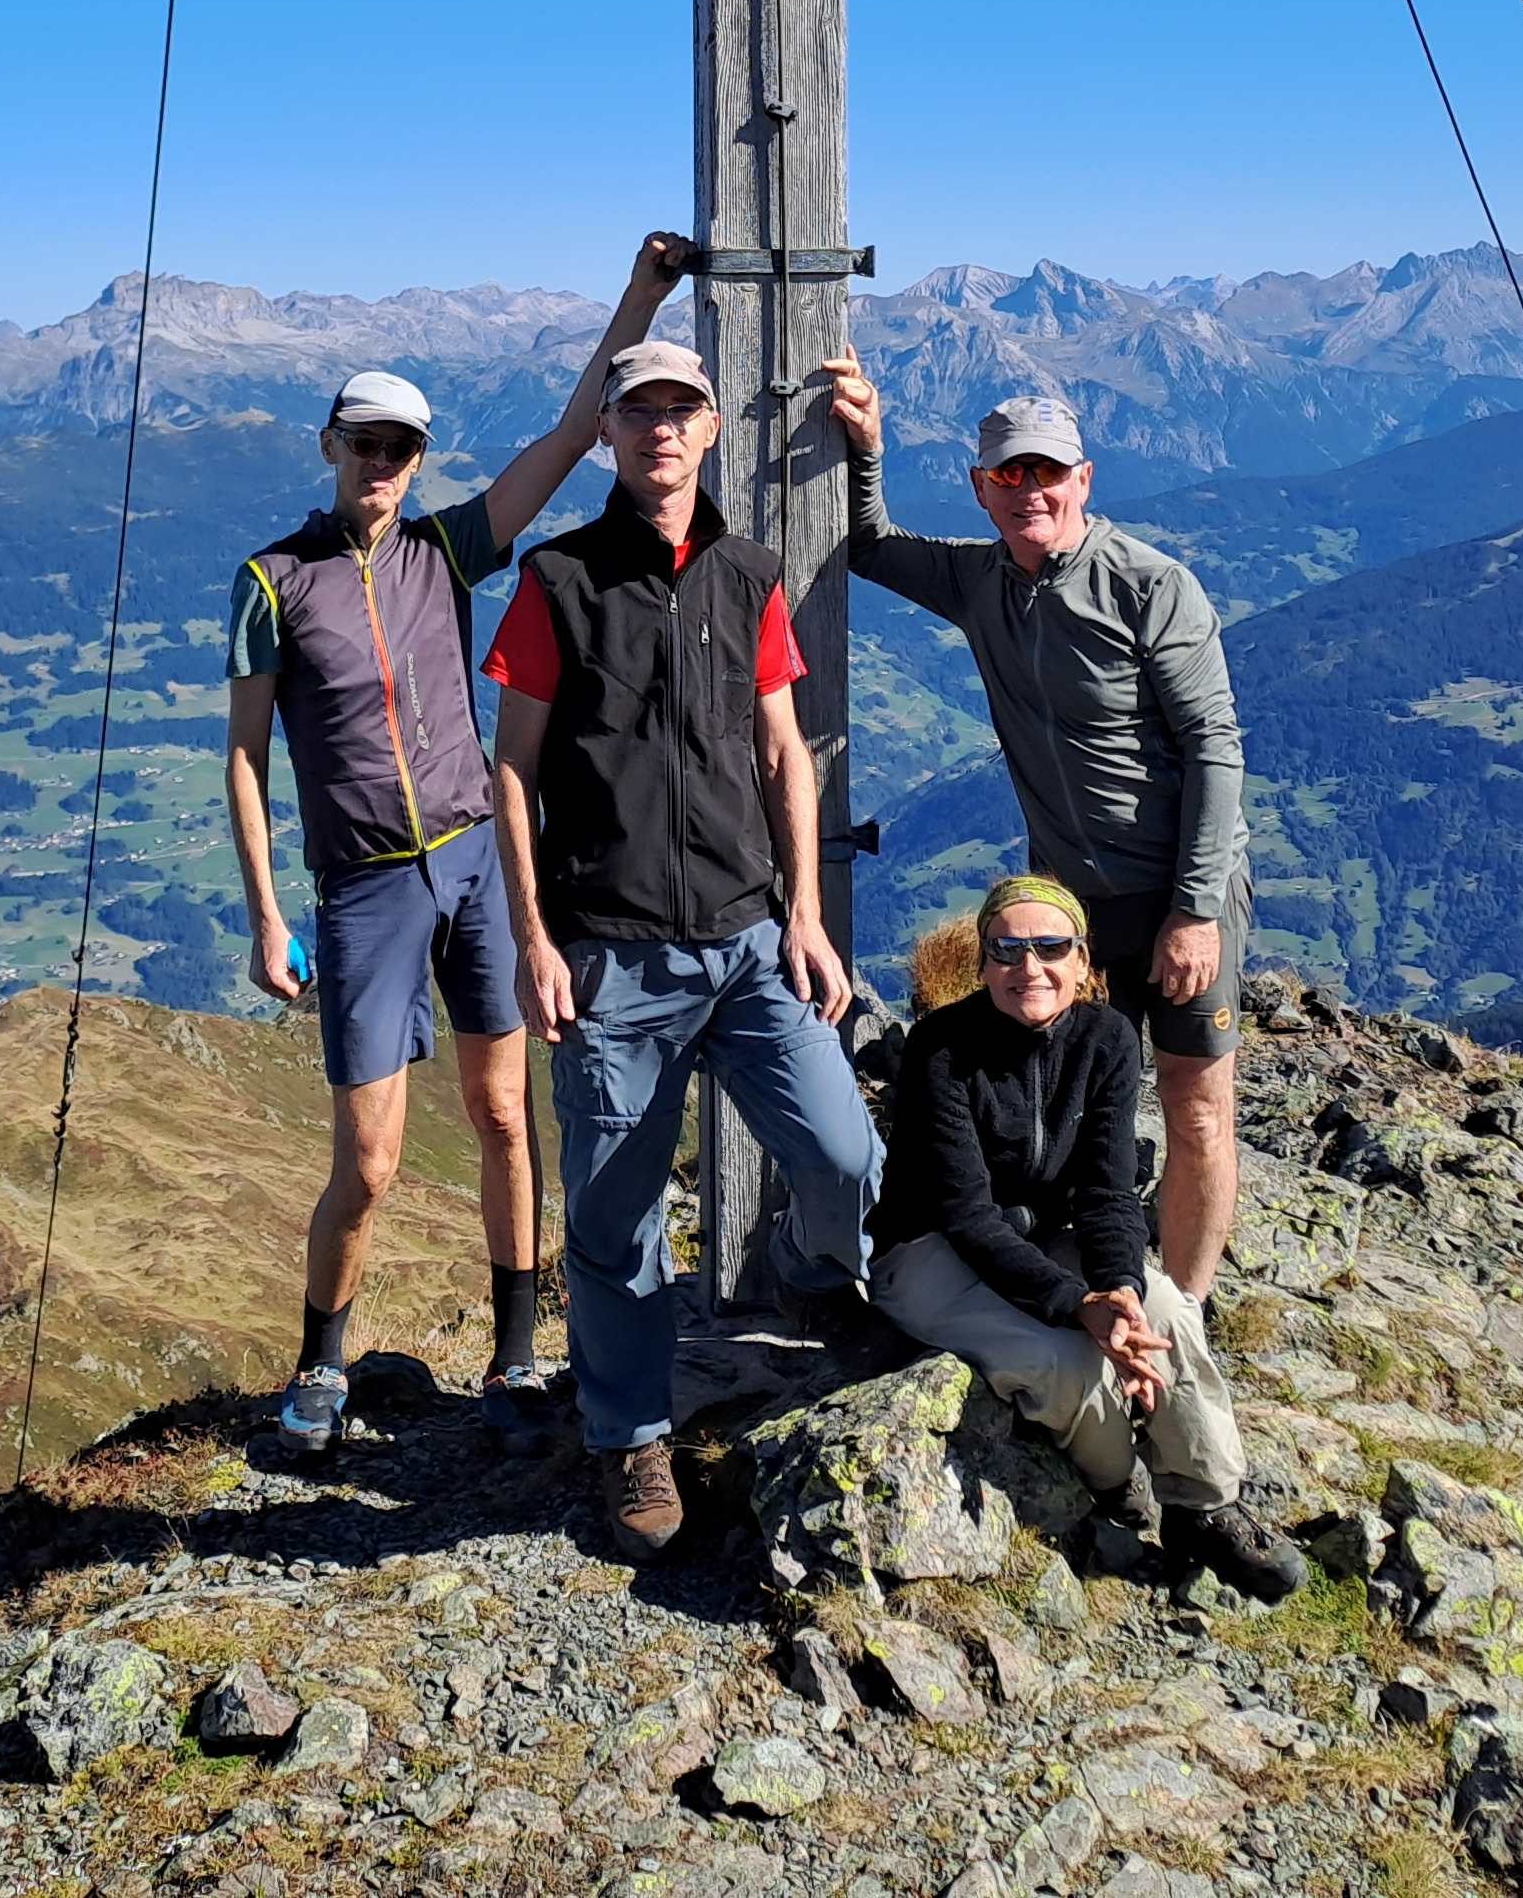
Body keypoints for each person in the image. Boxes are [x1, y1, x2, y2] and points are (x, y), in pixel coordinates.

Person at [231, 232, 688, 1457]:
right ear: (329, 448)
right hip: (367, 885)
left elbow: (569, 431)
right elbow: (242, 754)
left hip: (477, 859)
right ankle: (321, 1362)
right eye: (362, 443)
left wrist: (642, 297)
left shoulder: (449, 550)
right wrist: (268, 914)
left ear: (418, 460)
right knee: (369, 1161)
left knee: (502, 1116)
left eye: (400, 448)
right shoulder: (271, 580)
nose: (380, 463)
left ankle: (517, 1353)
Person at [484, 337, 883, 1561]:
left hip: (752, 940)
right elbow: (511, 771)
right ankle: (634, 1437)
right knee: (613, 1222)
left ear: (713, 430)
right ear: (607, 432)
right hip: (611, 957)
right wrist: (534, 942)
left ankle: (815, 1275)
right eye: (640, 411)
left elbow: (783, 756)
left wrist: (807, 918)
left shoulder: (749, 574)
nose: (662, 429)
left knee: (844, 1152)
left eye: (683, 410)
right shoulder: (557, 581)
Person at [818, 357, 1254, 1300]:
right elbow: (868, 544)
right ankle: (1088, 1291)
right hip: (1069, 911)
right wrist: (866, 450)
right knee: (1065, 1100)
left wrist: (1193, 911)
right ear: (982, 488)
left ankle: (1184, 1308)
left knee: (1195, 1103)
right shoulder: (979, 581)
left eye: (1049, 472)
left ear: (1084, 480)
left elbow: (1216, 750)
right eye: (1010, 475)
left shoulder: (1149, 586)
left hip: (1176, 891)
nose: (1032, 491)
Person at [874, 878, 1306, 1600]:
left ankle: (1206, 1504)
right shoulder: (941, 1051)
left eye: (1051, 948)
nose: (1028, 968)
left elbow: (1106, 1191)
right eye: (1006, 950)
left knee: (1169, 1314)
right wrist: (1078, 1305)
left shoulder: (1106, 1039)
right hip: (926, 1252)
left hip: (1049, 1236)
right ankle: (1111, 1487)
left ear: (1083, 962)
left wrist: (1122, 1294)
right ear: (981, 964)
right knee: (1063, 1363)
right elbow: (967, 1216)